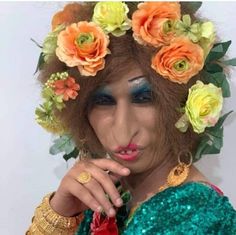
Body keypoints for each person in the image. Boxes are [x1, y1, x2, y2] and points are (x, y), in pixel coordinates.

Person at [26, 2, 236, 234]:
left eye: (144, 97)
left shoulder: (199, 215)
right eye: (103, 101)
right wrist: (61, 213)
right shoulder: (106, 196)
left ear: (182, 101)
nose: (123, 130)